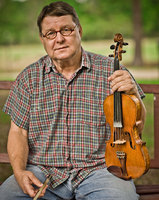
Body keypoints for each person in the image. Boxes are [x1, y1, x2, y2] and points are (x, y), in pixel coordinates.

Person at [0, 1, 146, 199]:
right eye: (50, 33)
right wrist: (19, 172)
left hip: (100, 171)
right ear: (42, 39)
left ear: (80, 31)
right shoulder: (29, 78)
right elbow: (18, 133)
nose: (59, 39)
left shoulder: (112, 71)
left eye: (66, 30)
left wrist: (133, 95)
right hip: (43, 173)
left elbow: (137, 127)